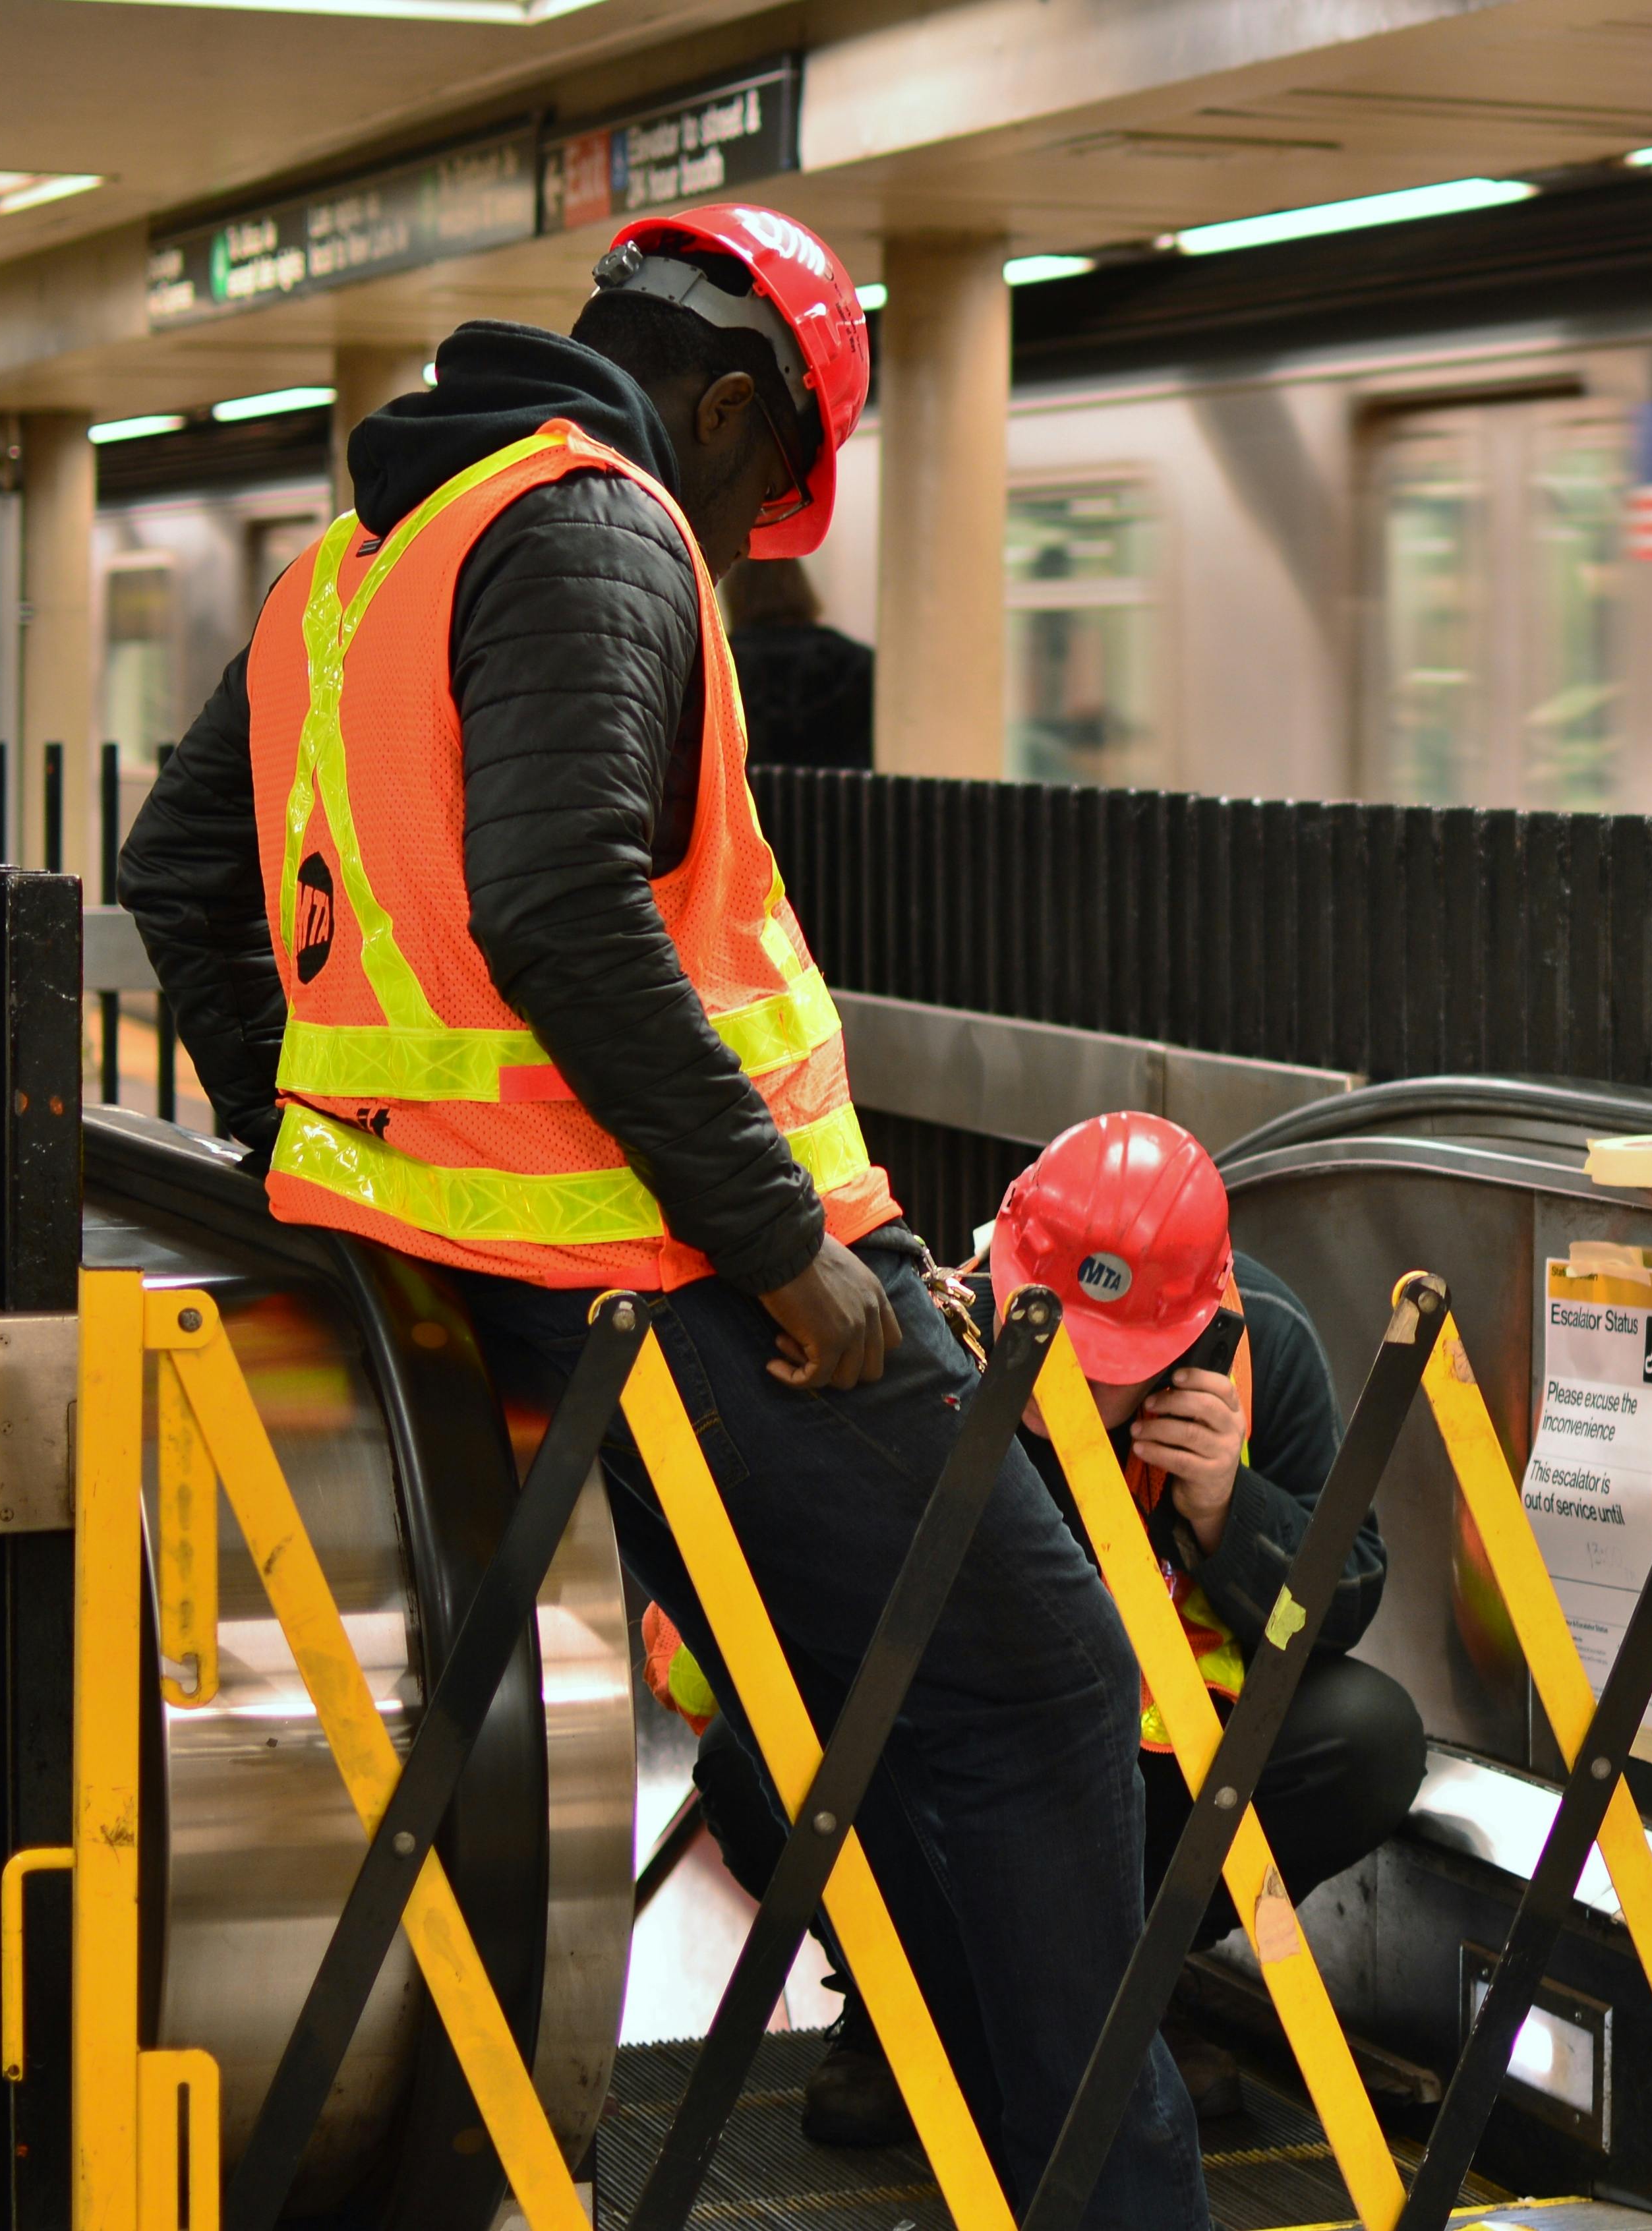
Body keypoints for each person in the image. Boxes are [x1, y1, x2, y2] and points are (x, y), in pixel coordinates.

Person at [115, 203, 1204, 2231]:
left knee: (879, 1708)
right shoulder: (599, 524)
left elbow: (179, 878)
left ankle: (948, 2136)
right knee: (1043, 1685)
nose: (740, 551)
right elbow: (560, 908)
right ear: (724, 407)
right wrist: (785, 1247)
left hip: (481, 1272)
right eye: (766, 500)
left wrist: (323, 1136)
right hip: (681, 1281)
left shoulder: (350, 574)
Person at [754, 1110, 1424, 2145]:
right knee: (752, 1749)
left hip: (1148, 1758)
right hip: (958, 1753)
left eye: (1118, 1351)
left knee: (1361, 1735)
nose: (1078, 1373)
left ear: (1192, 1325)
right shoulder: (928, 1325)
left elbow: (1336, 1615)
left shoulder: (1265, 1348)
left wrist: (1228, 1514)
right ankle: (909, 2006)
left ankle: (1126, 1997)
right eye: (1051, 1327)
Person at [724, 555, 875, 769]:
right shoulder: (856, 665)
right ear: (802, 587)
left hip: (745, 801)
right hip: (836, 799)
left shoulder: (717, 666)